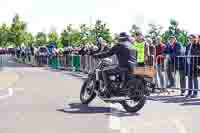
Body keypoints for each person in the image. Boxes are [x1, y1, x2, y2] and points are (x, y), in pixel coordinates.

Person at [93, 32, 136, 97]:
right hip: (133, 67)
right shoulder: (133, 47)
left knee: (104, 71)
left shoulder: (119, 45)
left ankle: (108, 90)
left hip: (123, 67)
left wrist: (96, 55)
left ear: (120, 38)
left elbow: (108, 53)